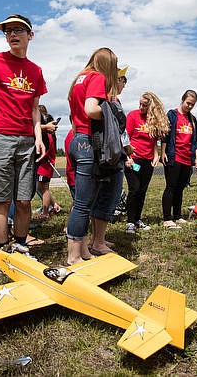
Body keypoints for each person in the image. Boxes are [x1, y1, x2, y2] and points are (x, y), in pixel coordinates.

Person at [0, 14, 46, 256]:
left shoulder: (36, 70)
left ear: (30, 35)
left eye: (18, 30)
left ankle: (21, 244)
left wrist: (40, 138)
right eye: (8, 31)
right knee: (1, 201)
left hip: (27, 141)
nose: (12, 34)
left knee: (24, 200)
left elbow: (35, 109)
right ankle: (3, 251)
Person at [66, 47, 124, 265]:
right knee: (83, 204)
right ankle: (73, 256)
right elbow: (91, 109)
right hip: (88, 143)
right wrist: (112, 111)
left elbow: (76, 115)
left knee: (82, 203)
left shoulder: (79, 78)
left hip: (77, 139)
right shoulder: (98, 77)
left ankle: (82, 251)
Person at [124, 91, 169, 233]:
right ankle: (130, 221)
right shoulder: (132, 115)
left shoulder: (153, 120)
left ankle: (137, 219)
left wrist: (156, 155)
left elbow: (153, 141)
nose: (141, 107)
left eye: (144, 105)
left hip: (148, 161)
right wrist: (127, 158)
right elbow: (125, 138)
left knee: (142, 190)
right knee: (135, 188)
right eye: (140, 104)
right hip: (134, 160)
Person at [160, 90, 197, 229]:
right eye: (188, 103)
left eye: (192, 105)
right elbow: (165, 134)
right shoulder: (172, 114)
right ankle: (167, 218)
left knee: (180, 187)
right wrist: (163, 152)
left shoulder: (192, 119)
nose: (189, 106)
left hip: (187, 157)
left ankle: (177, 215)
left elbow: (195, 140)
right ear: (182, 100)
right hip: (173, 155)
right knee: (171, 186)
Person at [34, 105, 60, 221]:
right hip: (46, 163)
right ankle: (54, 205)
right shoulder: (50, 133)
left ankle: (45, 212)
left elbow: (48, 148)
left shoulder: (48, 134)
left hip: (45, 163)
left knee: (44, 188)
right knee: (41, 187)